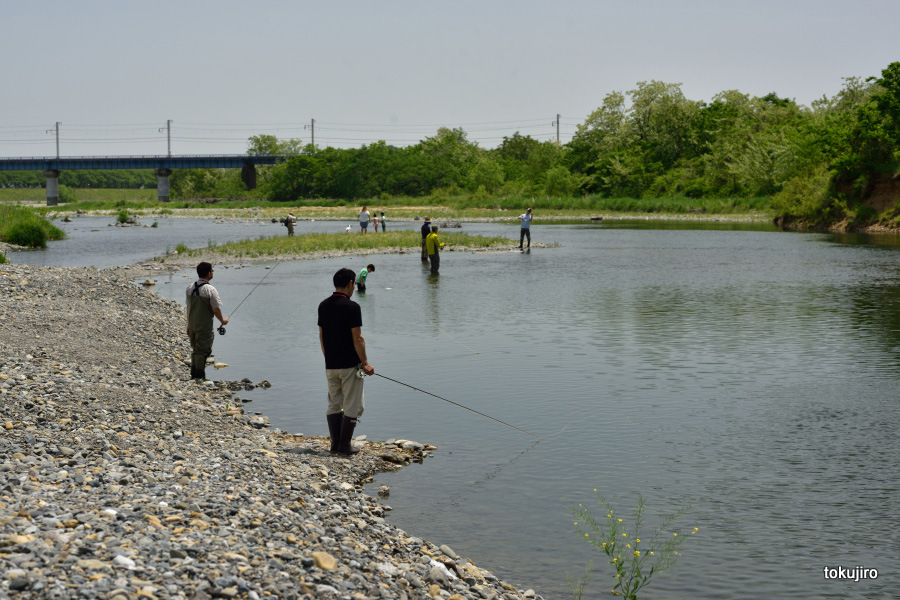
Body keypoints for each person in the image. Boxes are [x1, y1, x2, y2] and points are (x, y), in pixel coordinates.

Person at [318, 268, 375, 456]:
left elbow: (321, 335)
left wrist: (328, 357)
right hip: (349, 365)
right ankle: (344, 445)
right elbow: (358, 338)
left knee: (334, 403)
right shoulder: (353, 307)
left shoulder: (323, 305)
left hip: (330, 364)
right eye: (354, 284)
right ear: (351, 283)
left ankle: (335, 445)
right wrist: (365, 363)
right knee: (353, 404)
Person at [185, 262, 228, 380]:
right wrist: (223, 321)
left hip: (193, 325)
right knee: (203, 351)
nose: (213, 272)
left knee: (196, 350)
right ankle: (199, 377)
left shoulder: (190, 287)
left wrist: (188, 326)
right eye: (212, 271)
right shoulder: (210, 290)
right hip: (204, 326)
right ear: (209, 273)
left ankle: (194, 375)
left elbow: (188, 308)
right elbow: (216, 309)